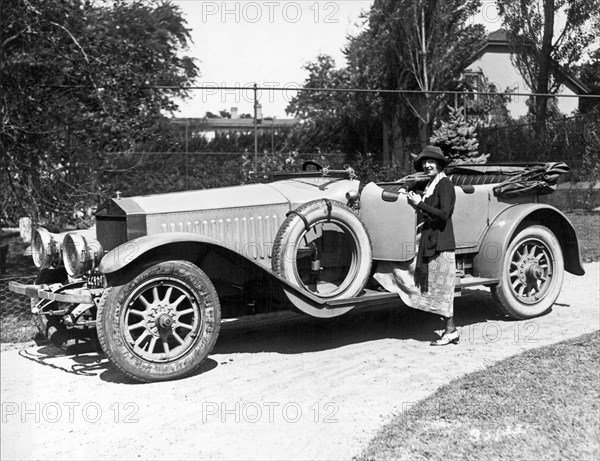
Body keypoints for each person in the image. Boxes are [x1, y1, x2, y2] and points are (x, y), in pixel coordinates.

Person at [405, 145, 458, 346]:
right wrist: (408, 191)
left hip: (441, 242)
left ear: (439, 163)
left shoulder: (445, 184)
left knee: (443, 289)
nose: (427, 165)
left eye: (431, 161)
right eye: (425, 163)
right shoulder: (432, 183)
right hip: (432, 240)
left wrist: (419, 204)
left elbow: (444, 214)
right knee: (436, 287)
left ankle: (450, 331)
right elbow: (421, 192)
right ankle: (450, 330)